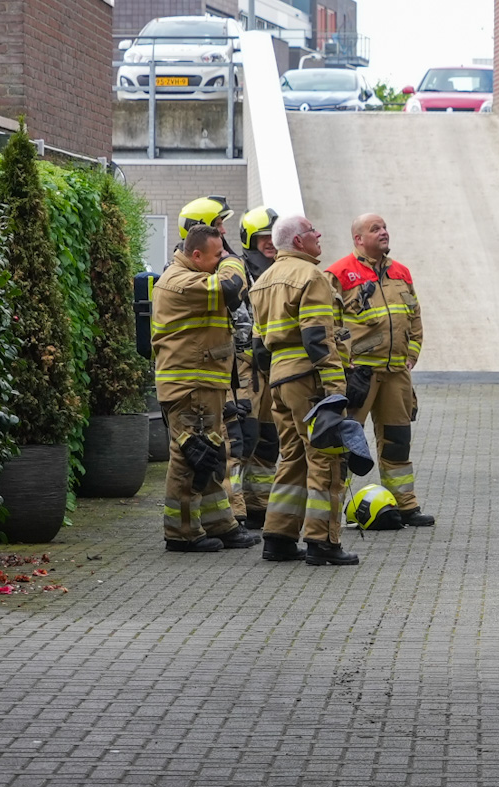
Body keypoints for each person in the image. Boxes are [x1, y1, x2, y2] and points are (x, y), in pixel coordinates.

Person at [249, 214, 359, 567]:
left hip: (279, 381)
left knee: (293, 456)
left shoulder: (262, 280)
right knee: (326, 458)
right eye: (313, 231)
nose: (319, 234)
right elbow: (317, 337)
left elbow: (259, 347)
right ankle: (322, 541)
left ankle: (278, 538)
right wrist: (334, 388)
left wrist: (277, 379)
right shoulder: (312, 276)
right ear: (298, 242)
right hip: (310, 379)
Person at [149, 223, 262, 553]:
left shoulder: (196, 275)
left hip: (204, 382)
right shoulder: (181, 281)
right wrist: (232, 259)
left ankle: (219, 524)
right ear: (196, 256)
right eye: (215, 256)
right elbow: (231, 287)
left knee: (210, 456)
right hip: (190, 385)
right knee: (189, 457)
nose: (220, 260)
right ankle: (181, 533)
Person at [327, 214, 434, 527]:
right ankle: (331, 509)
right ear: (359, 239)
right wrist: (343, 362)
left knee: (398, 440)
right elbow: (329, 323)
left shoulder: (401, 272)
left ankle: (405, 506)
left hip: (397, 372)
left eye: (385, 227)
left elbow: (414, 316)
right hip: (358, 374)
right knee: (345, 443)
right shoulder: (338, 273)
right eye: (376, 229)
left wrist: (412, 353)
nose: (384, 232)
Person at [231, 206, 280, 530]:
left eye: (274, 238)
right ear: (250, 240)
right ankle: (233, 512)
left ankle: (259, 506)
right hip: (246, 369)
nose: (271, 244)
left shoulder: (283, 271)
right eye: (264, 238)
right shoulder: (237, 273)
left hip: (274, 369)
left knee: (268, 441)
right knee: (242, 440)